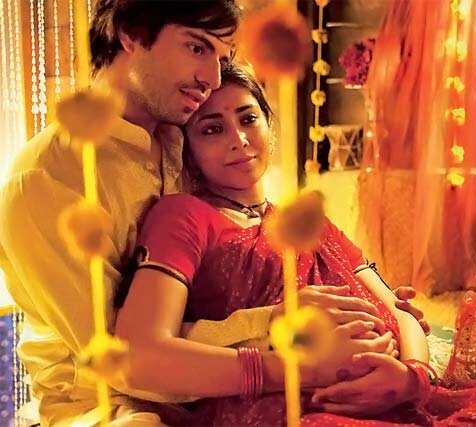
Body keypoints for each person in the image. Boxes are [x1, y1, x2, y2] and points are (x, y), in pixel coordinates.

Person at [0, 2, 427, 425]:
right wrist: (277, 332)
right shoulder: (48, 179)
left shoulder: (176, 137)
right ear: (130, 34)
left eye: (222, 58)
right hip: (109, 402)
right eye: (197, 47)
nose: (212, 79)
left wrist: (384, 318)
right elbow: (124, 357)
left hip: (235, 382)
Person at [114, 62, 430, 426]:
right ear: (189, 151)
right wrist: (295, 369)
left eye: (248, 119)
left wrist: (412, 378)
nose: (239, 139)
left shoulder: (308, 224)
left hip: (397, 394)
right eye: (213, 129)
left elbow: (399, 309)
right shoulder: (183, 216)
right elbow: (139, 353)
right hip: (283, 406)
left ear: (269, 126)